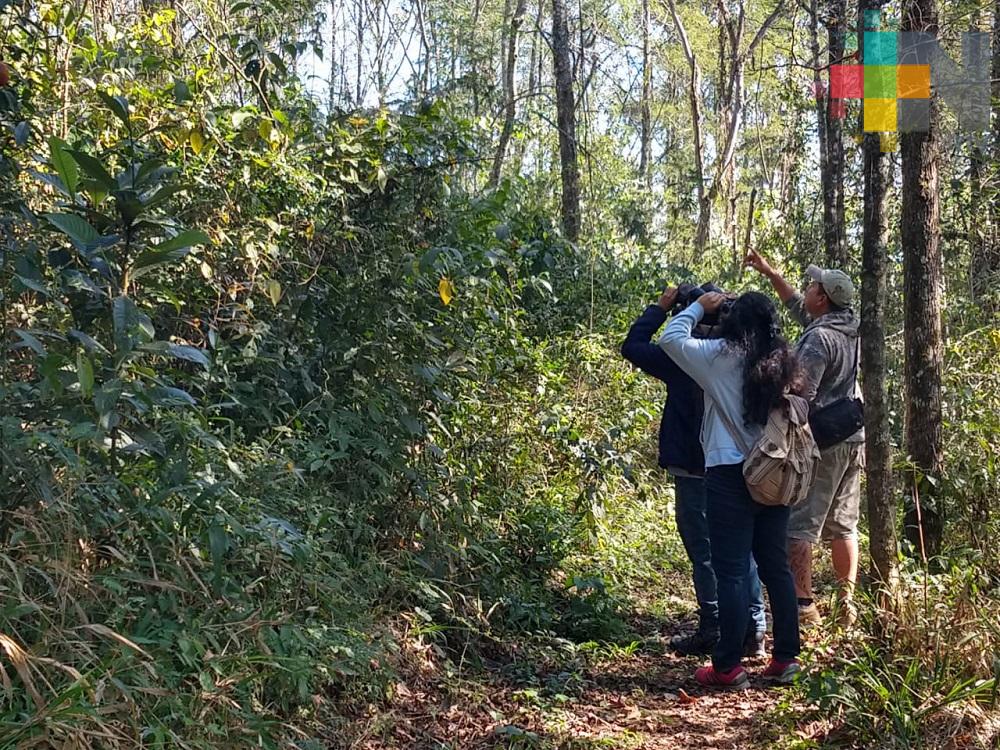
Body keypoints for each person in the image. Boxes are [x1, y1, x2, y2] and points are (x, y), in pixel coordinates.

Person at [659, 289, 802, 690]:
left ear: (734, 321)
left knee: (732, 571)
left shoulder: (719, 355)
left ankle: (727, 667)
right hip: (775, 473)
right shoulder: (784, 361)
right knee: (775, 568)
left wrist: (698, 307)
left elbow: (670, 340)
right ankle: (785, 658)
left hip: (729, 473)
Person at [621, 284, 766, 658]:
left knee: (703, 549)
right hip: (741, 463)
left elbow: (633, 346)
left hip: (694, 464)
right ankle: (754, 627)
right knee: (742, 548)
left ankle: (714, 624)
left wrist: (661, 307)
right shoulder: (744, 353)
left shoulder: (685, 355)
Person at [744, 251, 864, 628]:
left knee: (800, 524)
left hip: (823, 442)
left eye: (813, 285)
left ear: (823, 298)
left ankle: (803, 607)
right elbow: (798, 307)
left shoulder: (818, 341)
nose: (808, 288)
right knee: (845, 525)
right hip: (853, 434)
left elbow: (802, 395)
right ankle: (847, 606)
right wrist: (771, 273)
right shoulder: (850, 326)